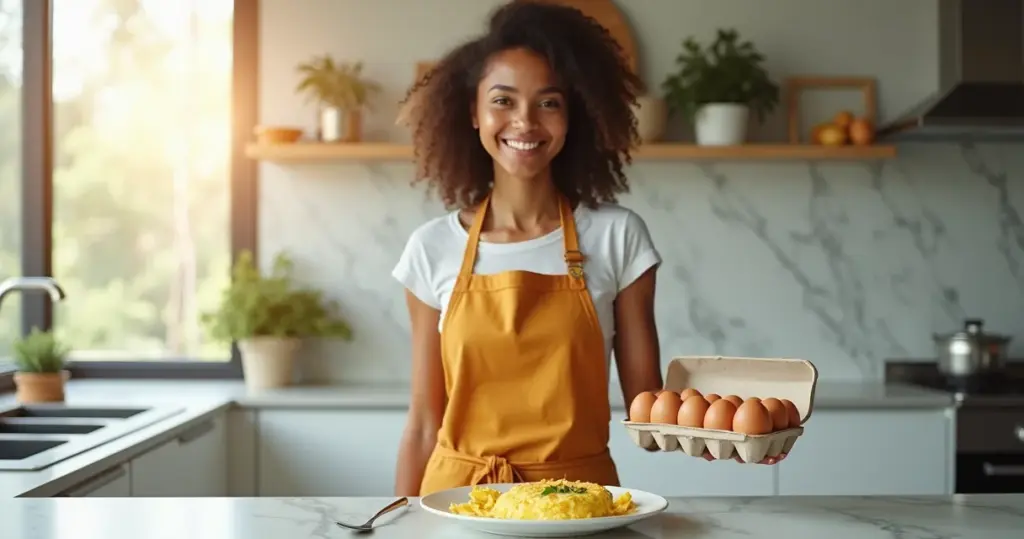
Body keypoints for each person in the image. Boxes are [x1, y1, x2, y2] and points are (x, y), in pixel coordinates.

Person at [391, 1, 782, 498]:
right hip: (459, 503)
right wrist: (396, 519)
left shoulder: (618, 238)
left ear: (573, 115)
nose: (525, 122)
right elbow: (425, 422)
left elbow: (649, 409)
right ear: (473, 112)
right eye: (503, 100)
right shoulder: (432, 247)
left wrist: (730, 433)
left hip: (578, 502)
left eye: (548, 103)